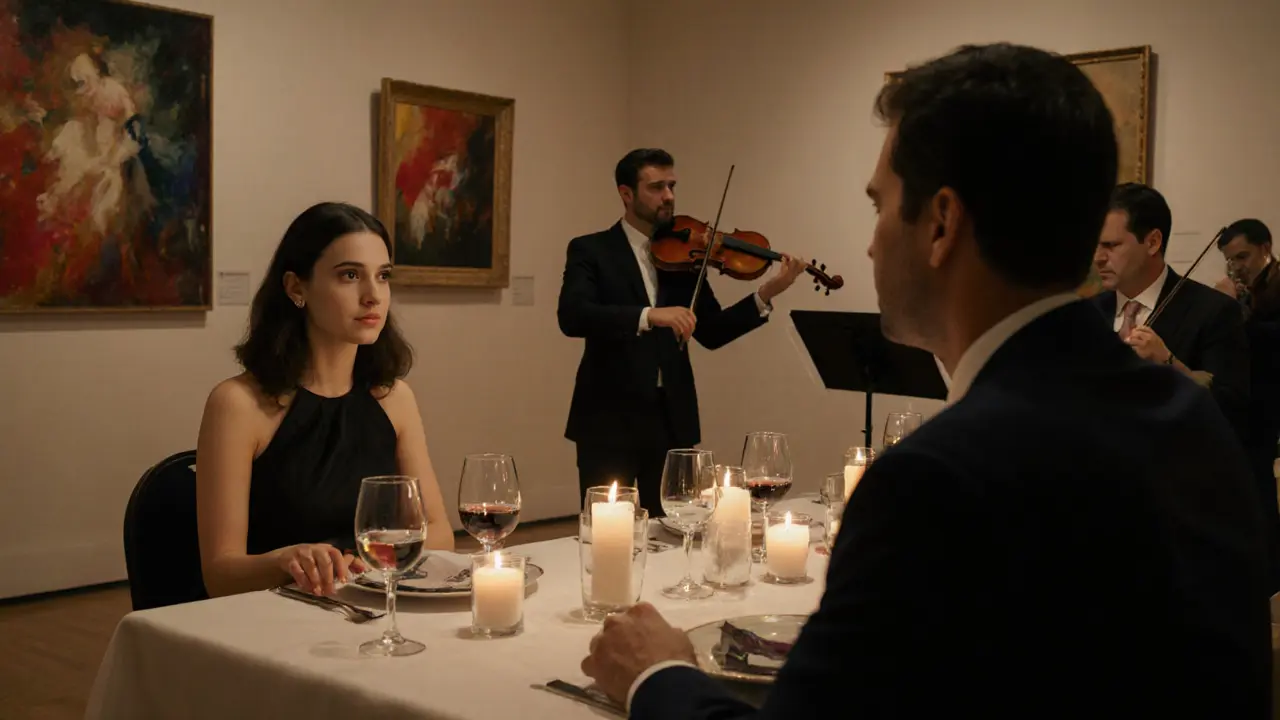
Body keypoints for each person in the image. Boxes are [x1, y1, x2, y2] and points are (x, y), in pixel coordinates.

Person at [581, 43, 1271, 719]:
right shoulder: (1186, 415)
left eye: (880, 206)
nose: (872, 243)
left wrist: (658, 675)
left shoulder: (934, 480)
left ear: (940, 224)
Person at [196, 202, 454, 599]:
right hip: (273, 620)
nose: (373, 296)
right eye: (350, 275)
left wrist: (361, 562)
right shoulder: (237, 404)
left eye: (382, 277)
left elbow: (439, 533)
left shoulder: (394, 398)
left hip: (369, 608)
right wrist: (286, 561)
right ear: (296, 287)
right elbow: (220, 575)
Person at [557, 149, 807, 516]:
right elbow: (573, 316)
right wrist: (648, 315)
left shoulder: (686, 254)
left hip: (670, 417)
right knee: (609, 530)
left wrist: (768, 291)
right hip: (608, 419)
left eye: (671, 186)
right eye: (657, 187)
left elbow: (712, 330)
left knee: (676, 525)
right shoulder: (591, 249)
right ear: (626, 193)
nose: (669, 196)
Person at [1091, 183, 1250, 436]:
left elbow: (1234, 412)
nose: (1098, 257)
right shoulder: (1088, 313)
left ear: (1153, 242)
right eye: (1095, 244)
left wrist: (1170, 364)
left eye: (1111, 245)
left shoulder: (1214, 311)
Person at [1216, 218, 1280, 592]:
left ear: (1265, 248)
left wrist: (1235, 314)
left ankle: (1269, 576)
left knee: (1260, 493)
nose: (1236, 266)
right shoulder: (1247, 288)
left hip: (1268, 404)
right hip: (1248, 404)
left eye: (1242, 256)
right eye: (1229, 260)